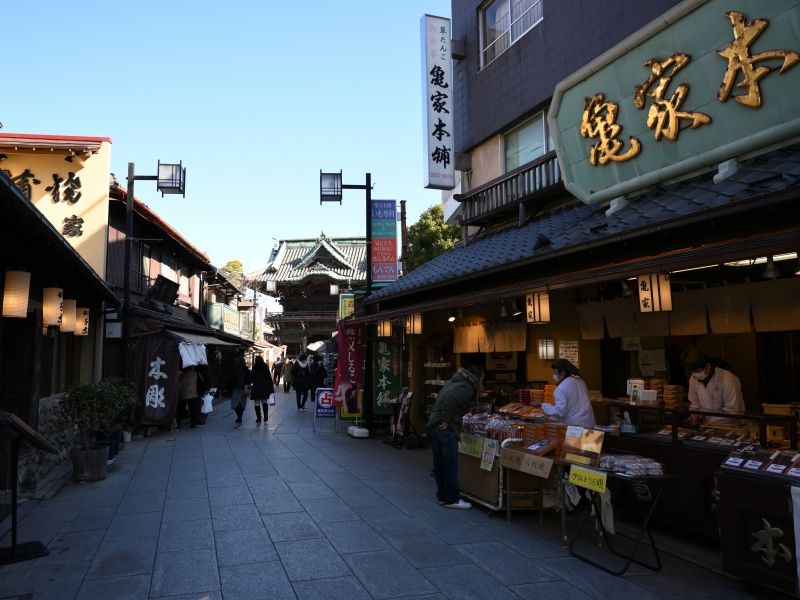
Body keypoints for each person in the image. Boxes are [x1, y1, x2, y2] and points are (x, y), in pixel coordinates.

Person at [427, 363, 485, 510]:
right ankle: (452, 499)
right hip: (444, 427)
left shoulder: (453, 382)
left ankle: (443, 496)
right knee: (450, 464)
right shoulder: (466, 387)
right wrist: (446, 420)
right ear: (478, 376)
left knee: (439, 464)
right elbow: (449, 401)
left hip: (434, 424)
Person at [537, 358, 595, 429]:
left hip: (575, 426)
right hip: (589, 423)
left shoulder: (561, 388)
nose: (553, 375)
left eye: (555, 373)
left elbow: (560, 412)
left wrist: (542, 405)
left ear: (563, 373)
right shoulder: (581, 381)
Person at [686, 355, 744, 424]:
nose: (695, 374)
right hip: (706, 426)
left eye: (697, 371)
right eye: (693, 372)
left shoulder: (728, 379)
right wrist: (695, 416)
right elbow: (695, 404)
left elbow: (732, 411)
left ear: (707, 367)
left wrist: (711, 421)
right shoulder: (693, 379)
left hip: (728, 425)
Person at [250, 355, 275, 424]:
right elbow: (269, 378)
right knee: (264, 402)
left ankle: (258, 418)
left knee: (257, 403)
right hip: (265, 386)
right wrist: (271, 389)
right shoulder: (266, 367)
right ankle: (266, 416)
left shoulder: (254, 367)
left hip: (256, 387)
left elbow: (251, 378)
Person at [230, 355, 251, 425]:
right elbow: (249, 379)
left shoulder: (234, 369)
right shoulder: (246, 369)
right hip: (244, 388)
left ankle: (239, 416)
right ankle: (240, 416)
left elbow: (232, 379)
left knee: (235, 403)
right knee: (242, 403)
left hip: (236, 388)